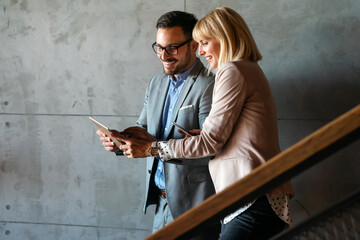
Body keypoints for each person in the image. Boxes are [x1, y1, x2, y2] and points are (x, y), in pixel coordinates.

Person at [112, 6, 295, 240]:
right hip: (251, 196)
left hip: (251, 195)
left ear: (224, 38)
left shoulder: (231, 70)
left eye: (205, 43)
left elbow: (209, 143)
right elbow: (227, 135)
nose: (201, 52)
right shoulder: (248, 69)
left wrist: (152, 148)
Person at [96, 11, 220, 239]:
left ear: (194, 46)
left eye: (172, 48)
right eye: (159, 47)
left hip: (195, 203)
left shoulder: (209, 85)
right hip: (161, 201)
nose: (164, 55)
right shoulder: (155, 83)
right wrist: (119, 143)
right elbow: (143, 131)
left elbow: (211, 150)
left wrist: (155, 146)